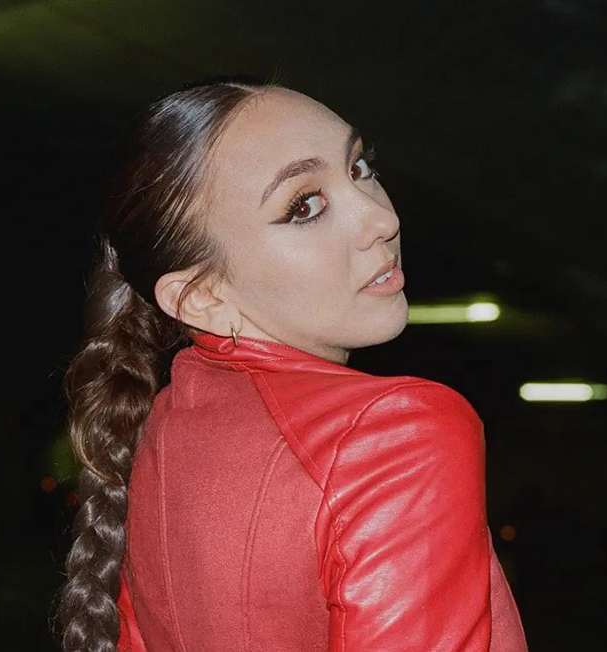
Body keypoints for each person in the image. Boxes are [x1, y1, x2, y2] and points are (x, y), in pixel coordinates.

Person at [56, 74, 527, 652]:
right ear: (201, 296)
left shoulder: (159, 431)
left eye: (359, 168)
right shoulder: (394, 432)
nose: (382, 219)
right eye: (304, 206)